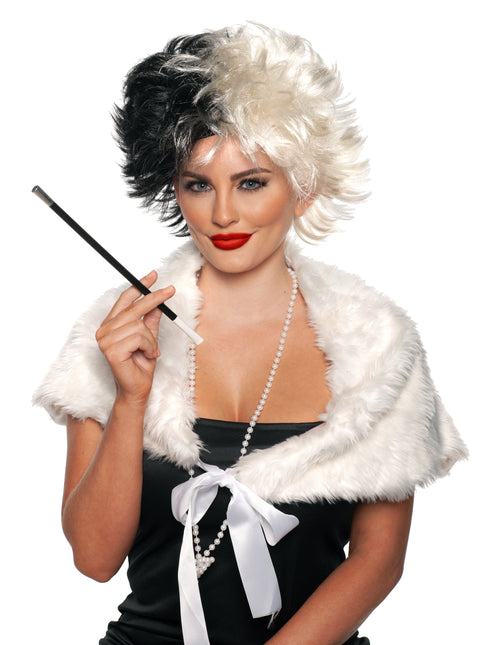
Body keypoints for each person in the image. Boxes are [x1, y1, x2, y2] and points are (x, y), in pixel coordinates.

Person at [34, 23, 467, 645]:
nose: (223, 214)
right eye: (198, 185)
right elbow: (94, 559)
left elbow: (378, 562)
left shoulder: (377, 343)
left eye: (252, 182)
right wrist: (130, 399)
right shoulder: (114, 330)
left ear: (303, 186)